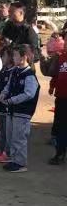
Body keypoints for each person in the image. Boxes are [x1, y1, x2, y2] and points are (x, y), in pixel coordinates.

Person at [0, 45, 40, 173]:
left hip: (22, 112)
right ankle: (14, 159)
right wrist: (3, 94)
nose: (13, 58)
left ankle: (20, 162)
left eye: (16, 55)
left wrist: (12, 100)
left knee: (19, 137)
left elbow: (29, 94)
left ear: (24, 57)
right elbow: (8, 86)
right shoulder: (15, 71)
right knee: (11, 136)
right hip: (12, 110)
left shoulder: (29, 75)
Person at [41, 33, 67, 165]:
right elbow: (56, 75)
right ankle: (60, 153)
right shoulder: (61, 58)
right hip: (61, 97)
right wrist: (52, 87)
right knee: (61, 126)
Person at [0, 46, 15, 163]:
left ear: (10, 57)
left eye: (4, 56)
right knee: (1, 131)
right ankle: (0, 149)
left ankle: (7, 152)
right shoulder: (3, 70)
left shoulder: (13, 72)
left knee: (7, 131)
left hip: (6, 106)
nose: (2, 58)